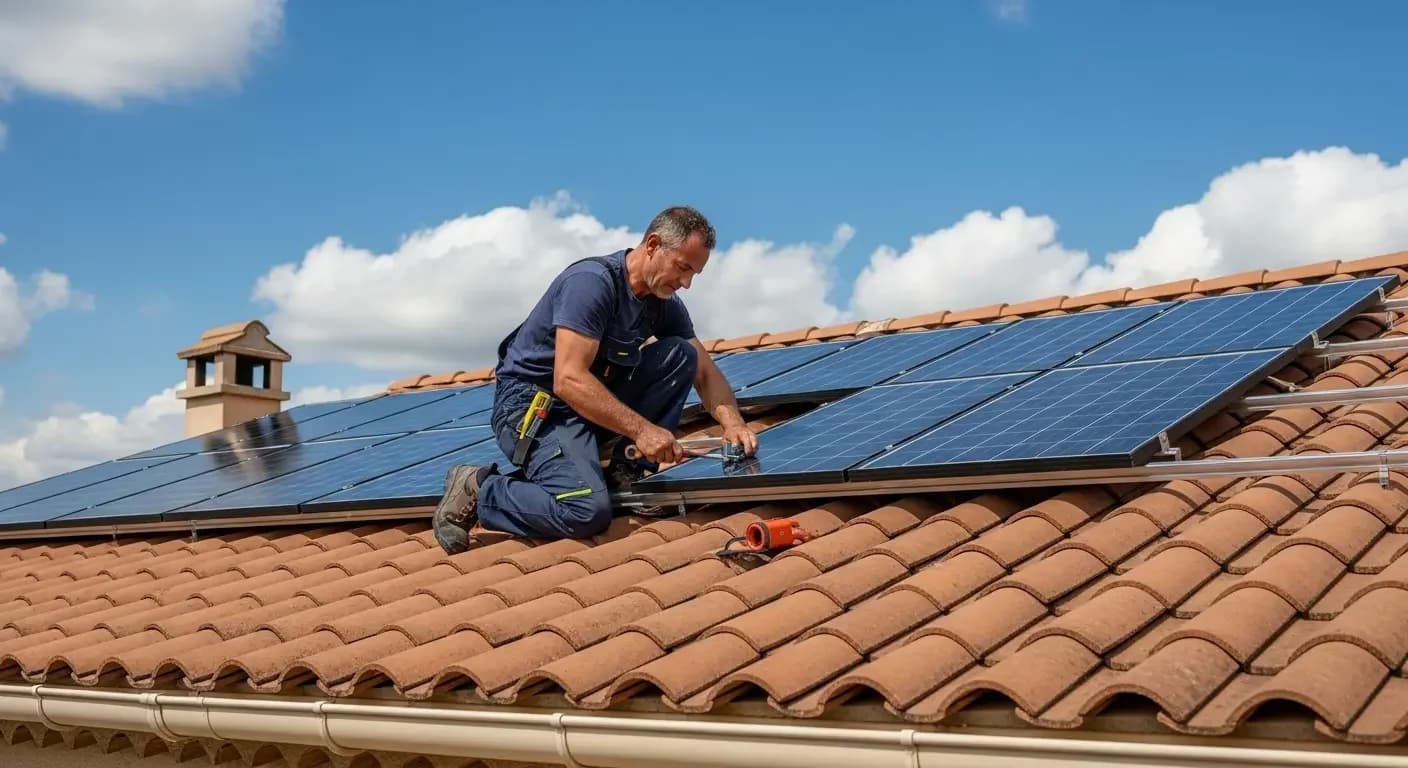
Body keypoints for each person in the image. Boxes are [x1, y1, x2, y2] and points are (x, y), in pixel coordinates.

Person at [431, 206, 759, 553]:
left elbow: (704, 371)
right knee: (585, 510)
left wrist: (733, 423)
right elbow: (568, 379)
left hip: (585, 406)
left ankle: (627, 470)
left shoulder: (662, 304)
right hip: (534, 408)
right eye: (682, 267)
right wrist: (642, 431)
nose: (687, 283)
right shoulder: (590, 284)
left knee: (681, 354)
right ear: (652, 245)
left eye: (695, 273)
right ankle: (481, 489)